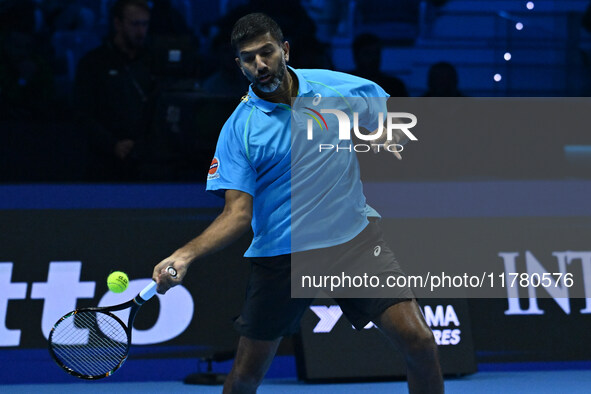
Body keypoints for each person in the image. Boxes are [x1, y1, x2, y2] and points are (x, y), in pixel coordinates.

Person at [152, 13, 443, 393]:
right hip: (283, 257)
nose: (260, 64)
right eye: (249, 58)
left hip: (353, 241)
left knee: (420, 342)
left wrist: (387, 140)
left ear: (284, 50)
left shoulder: (339, 88)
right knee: (245, 376)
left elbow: (386, 122)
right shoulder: (240, 129)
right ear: (239, 65)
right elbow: (238, 213)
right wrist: (185, 255)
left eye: (267, 52)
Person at [74, 0, 156, 181]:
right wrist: (112, 144)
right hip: (103, 161)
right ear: (118, 24)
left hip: (148, 161)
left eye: (145, 24)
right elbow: (83, 114)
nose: (141, 31)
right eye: (135, 24)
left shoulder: (153, 62)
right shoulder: (93, 63)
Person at [352, 33, 409, 97]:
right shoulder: (346, 85)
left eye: (376, 53)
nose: (374, 58)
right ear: (356, 56)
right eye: (368, 53)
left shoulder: (395, 87)